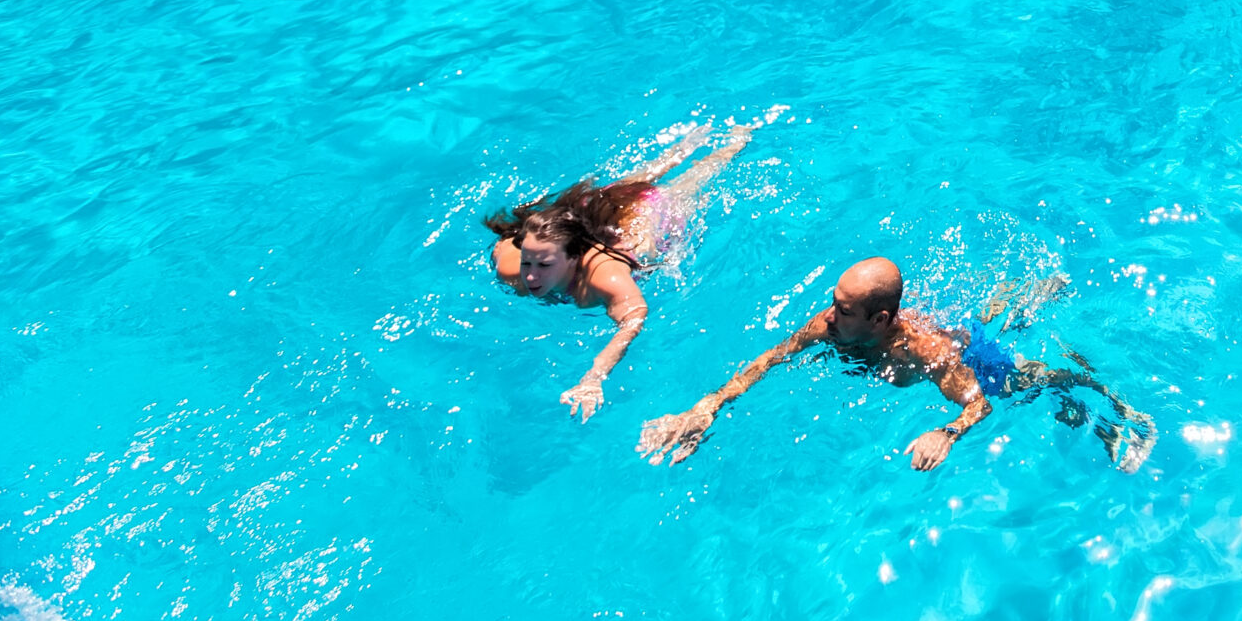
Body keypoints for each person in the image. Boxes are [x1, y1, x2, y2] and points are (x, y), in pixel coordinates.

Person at [635, 258, 1157, 472]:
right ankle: (1013, 299)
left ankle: (1105, 394)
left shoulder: (922, 352)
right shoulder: (831, 323)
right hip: (937, 332)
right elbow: (768, 360)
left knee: (1029, 382)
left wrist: (945, 433)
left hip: (967, 354)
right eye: (833, 301)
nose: (827, 316)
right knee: (985, 321)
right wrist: (708, 406)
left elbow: (977, 405)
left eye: (842, 308)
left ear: (881, 318)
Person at [486, 116, 774, 419]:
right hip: (590, 212)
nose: (530, 275)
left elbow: (634, 317)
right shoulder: (511, 267)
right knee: (621, 188)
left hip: (648, 220)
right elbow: (504, 244)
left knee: (692, 181)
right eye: (527, 261)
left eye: (544, 265)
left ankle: (734, 141)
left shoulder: (603, 276)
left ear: (575, 258)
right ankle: (688, 143)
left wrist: (594, 377)